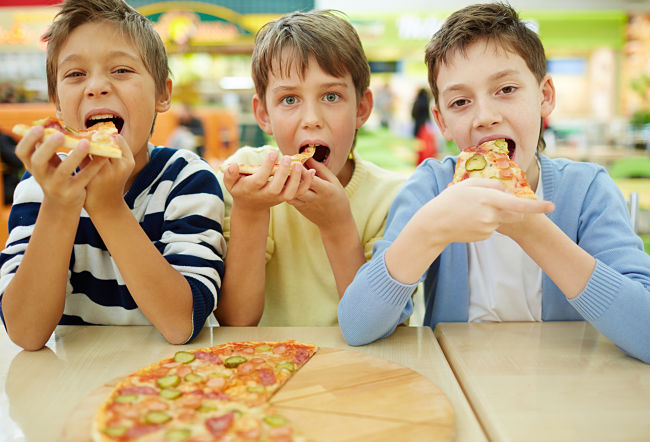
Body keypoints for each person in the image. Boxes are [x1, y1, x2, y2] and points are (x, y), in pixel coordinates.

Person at [338, 3, 650, 364]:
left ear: (544, 96)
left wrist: (531, 231)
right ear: (441, 120)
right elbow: (358, 327)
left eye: (506, 89)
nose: (485, 116)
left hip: (566, 391)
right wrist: (429, 230)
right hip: (460, 387)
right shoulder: (432, 188)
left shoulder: (587, 190)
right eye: (460, 101)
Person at [0, 0, 226, 351]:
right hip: (70, 385)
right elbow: (26, 333)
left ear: (163, 94)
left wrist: (107, 208)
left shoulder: (188, 180)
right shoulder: (39, 187)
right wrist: (59, 205)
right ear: (57, 103)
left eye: (121, 70)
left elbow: (182, 324)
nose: (96, 87)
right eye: (75, 74)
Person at [215, 10, 406, 326]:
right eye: (290, 100)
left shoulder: (391, 199)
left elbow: (379, 327)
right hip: (266, 368)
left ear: (362, 108)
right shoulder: (246, 177)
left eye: (331, 96)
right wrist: (250, 212)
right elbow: (236, 320)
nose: (311, 118)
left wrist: (337, 225)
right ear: (263, 115)